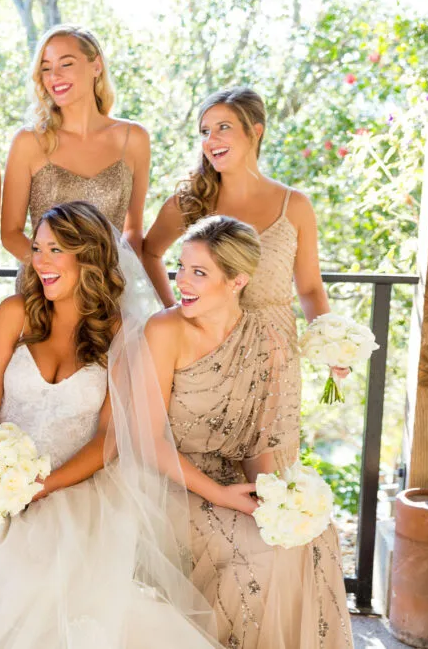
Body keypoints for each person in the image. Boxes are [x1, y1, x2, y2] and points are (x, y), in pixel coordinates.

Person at [0, 202, 219, 649]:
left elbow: (109, 437)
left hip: (76, 487)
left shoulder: (120, 332)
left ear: (88, 257)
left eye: (54, 250)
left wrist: (41, 486)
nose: (40, 262)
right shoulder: (15, 313)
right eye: (36, 248)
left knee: (47, 577)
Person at [144, 215, 353, 648]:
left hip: (233, 482)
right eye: (181, 267)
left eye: (199, 273)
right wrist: (220, 496)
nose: (182, 281)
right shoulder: (164, 331)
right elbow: (149, 440)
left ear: (237, 281)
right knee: (257, 557)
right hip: (170, 482)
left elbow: (263, 444)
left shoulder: (269, 340)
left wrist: (275, 500)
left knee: (311, 539)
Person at [141, 86, 348, 384]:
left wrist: (332, 348)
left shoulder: (296, 206)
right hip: (202, 350)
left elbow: (310, 289)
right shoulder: (189, 202)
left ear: (256, 131)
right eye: (204, 132)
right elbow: (149, 252)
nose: (211, 140)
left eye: (223, 127)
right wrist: (172, 309)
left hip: (274, 357)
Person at [1, 24, 151, 266]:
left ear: (96, 65)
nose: (54, 76)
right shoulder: (29, 142)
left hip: (109, 288)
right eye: (46, 68)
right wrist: (55, 270)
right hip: (44, 289)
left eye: (66, 64)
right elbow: (10, 234)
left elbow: (133, 231)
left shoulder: (134, 138)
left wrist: (107, 278)